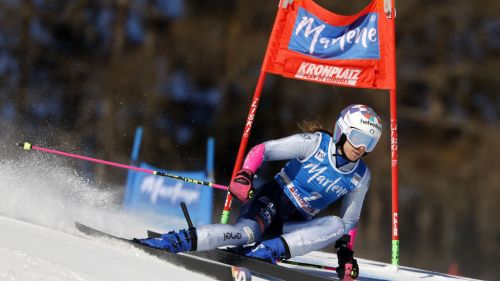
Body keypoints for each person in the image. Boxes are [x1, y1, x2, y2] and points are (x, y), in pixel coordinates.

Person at [136, 104, 382, 280]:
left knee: (338, 223)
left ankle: (264, 254)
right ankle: (173, 241)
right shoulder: (314, 144)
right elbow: (261, 150)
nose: (362, 147)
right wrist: (245, 175)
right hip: (272, 202)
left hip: (292, 229)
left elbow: (349, 221)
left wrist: (345, 257)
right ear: (342, 131)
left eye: (370, 142)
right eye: (358, 137)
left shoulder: (361, 176)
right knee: (245, 233)